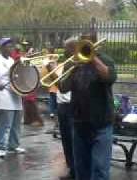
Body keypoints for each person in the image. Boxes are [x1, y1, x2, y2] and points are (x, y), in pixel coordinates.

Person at [59, 34, 117, 180]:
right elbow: (63, 87)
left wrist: (93, 58)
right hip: (79, 124)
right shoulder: (73, 62)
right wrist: (61, 69)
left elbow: (109, 77)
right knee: (81, 170)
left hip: (101, 123)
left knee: (100, 170)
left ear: (94, 44)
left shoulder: (105, 60)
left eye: (88, 44)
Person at [0, 37, 25, 158]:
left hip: (15, 95)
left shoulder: (12, 62)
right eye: (9, 46)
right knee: (4, 123)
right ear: (1, 48)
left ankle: (13, 145)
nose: (11, 49)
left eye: (12, 46)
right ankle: (0, 147)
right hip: (4, 97)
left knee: (16, 123)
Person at [57, 37, 78, 180]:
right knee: (66, 140)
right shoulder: (67, 63)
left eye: (67, 48)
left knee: (73, 140)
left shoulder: (77, 63)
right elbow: (61, 86)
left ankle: (76, 170)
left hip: (71, 105)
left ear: (74, 48)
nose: (64, 50)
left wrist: (52, 69)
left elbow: (63, 87)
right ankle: (71, 169)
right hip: (62, 105)